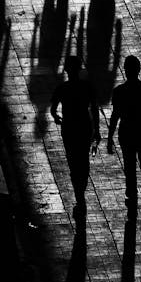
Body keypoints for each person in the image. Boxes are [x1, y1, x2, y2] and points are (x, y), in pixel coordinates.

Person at [107, 56, 141, 216]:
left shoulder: (119, 91)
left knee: (130, 167)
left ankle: (131, 195)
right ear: (139, 69)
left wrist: (110, 138)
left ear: (125, 70)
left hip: (127, 133)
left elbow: (115, 115)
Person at [50, 56, 101, 220]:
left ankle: (79, 195)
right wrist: (97, 130)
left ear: (66, 70)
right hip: (84, 127)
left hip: (69, 128)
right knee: (83, 162)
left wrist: (57, 117)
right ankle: (81, 193)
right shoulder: (87, 87)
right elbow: (94, 108)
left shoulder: (62, 88)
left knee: (73, 162)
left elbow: (53, 109)